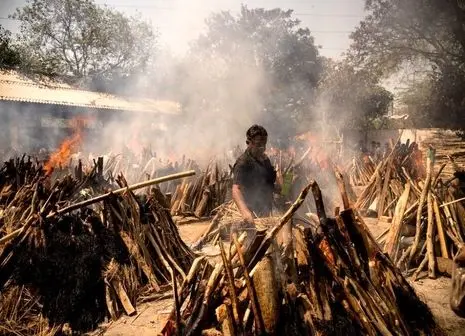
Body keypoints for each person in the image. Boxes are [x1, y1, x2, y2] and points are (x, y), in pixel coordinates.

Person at [232, 125, 279, 230]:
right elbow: (236, 189)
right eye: (258, 144)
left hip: (266, 212)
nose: (262, 148)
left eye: (264, 144)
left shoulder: (265, 160)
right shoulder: (243, 162)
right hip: (253, 215)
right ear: (249, 143)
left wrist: (286, 186)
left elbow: (271, 186)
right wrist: (245, 213)